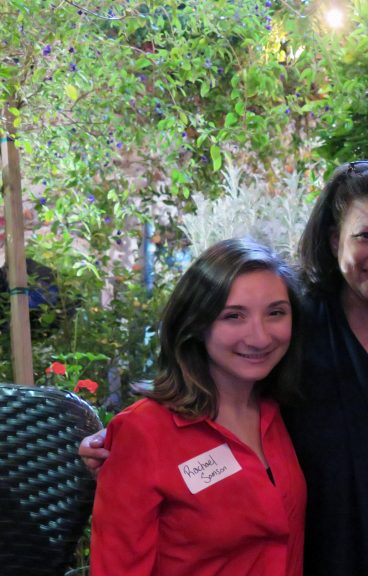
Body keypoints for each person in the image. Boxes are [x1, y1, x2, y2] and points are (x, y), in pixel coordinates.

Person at [81, 161, 368, 576]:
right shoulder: (299, 323)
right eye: (366, 235)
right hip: (331, 558)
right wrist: (127, 441)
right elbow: (206, 388)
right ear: (333, 239)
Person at [89, 238, 306, 576]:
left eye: (275, 313)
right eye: (234, 316)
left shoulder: (280, 412)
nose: (260, 337)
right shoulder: (144, 432)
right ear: (196, 325)